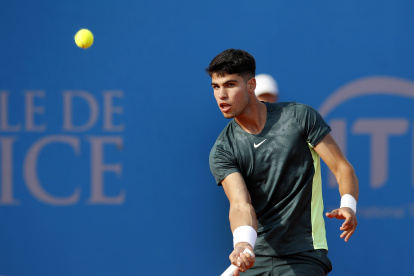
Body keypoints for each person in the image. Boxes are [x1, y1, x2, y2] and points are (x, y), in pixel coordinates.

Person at [206, 49, 359, 276]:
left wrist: (348, 205)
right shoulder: (223, 149)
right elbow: (240, 204)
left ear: (251, 85)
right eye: (216, 87)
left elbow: (341, 167)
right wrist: (243, 244)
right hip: (253, 258)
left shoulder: (299, 117)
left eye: (230, 85)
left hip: (304, 253)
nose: (221, 95)